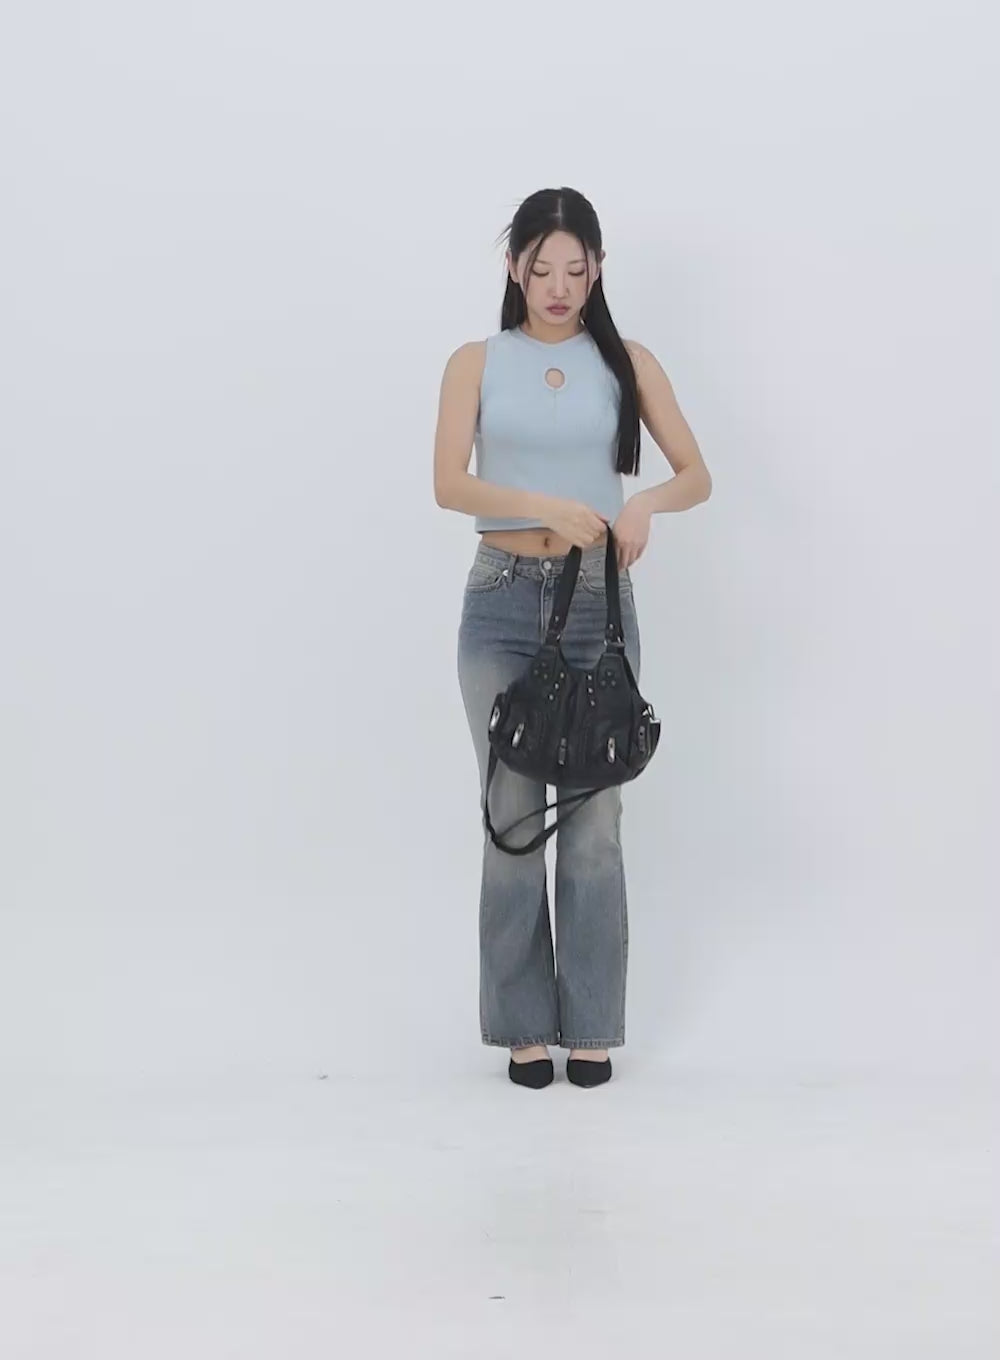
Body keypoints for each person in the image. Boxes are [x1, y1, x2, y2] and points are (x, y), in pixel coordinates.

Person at [433, 187, 711, 1089]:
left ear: (596, 272)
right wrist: (546, 506)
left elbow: (696, 473)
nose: (558, 286)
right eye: (541, 268)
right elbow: (449, 484)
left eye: (575, 270)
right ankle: (522, 1026)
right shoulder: (476, 362)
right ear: (514, 268)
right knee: (511, 817)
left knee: (594, 820)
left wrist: (645, 504)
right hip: (500, 602)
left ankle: (590, 1024)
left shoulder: (626, 362)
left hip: (596, 604)